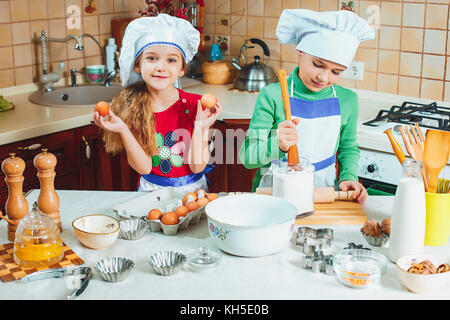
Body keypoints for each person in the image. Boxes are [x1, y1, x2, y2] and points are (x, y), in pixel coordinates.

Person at [239, 9, 374, 204]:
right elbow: (248, 157)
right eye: (318, 64)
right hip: (273, 196)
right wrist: (277, 144)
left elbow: (348, 149)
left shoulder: (348, 100)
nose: (324, 77)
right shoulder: (272, 95)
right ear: (300, 51)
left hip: (323, 195)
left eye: (336, 71)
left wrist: (348, 177)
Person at [93, 14, 222, 193]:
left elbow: (197, 167)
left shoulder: (196, 106)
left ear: (181, 69)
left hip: (193, 193)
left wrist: (201, 127)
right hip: (151, 192)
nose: (160, 67)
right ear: (138, 65)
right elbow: (145, 168)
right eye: (152, 58)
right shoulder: (134, 107)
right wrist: (123, 129)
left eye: (171, 60)